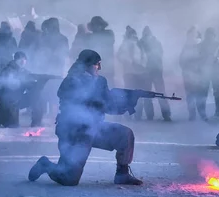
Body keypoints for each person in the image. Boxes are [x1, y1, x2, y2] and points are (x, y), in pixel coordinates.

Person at [28, 49, 143, 186]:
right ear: (87, 65)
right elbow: (73, 100)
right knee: (69, 179)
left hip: (94, 128)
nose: (99, 67)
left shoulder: (100, 81)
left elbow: (109, 106)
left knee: (125, 135)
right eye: (97, 64)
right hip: (75, 132)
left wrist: (128, 103)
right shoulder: (71, 81)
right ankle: (45, 165)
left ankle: (122, 174)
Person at [0, 51, 46, 127]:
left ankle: (36, 122)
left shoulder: (25, 72)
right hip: (7, 101)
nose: (23, 61)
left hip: (19, 99)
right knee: (13, 125)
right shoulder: (7, 70)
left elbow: (31, 87)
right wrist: (22, 82)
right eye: (20, 59)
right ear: (15, 60)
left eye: (24, 59)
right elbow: (7, 87)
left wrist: (38, 84)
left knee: (38, 96)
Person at [139, 26, 172, 121]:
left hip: (155, 69)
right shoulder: (141, 43)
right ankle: (152, 115)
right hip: (147, 70)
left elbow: (159, 54)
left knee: (160, 92)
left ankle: (165, 114)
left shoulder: (154, 43)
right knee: (148, 93)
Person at [117, 26, 148, 120]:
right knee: (129, 94)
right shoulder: (125, 45)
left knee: (137, 94)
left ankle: (137, 116)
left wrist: (141, 65)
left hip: (138, 72)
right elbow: (120, 57)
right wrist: (131, 62)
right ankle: (129, 116)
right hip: (129, 73)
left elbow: (144, 57)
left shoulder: (139, 45)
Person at [87, 16, 115, 85]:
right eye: (95, 25)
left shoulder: (108, 33)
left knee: (108, 82)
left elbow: (110, 41)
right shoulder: (90, 36)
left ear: (102, 25)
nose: (97, 27)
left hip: (106, 63)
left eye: (98, 24)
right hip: (94, 64)